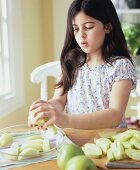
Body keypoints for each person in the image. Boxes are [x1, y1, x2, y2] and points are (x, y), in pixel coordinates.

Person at [28, 0, 137, 130]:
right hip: (74, 139)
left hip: (109, 142)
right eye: (76, 29)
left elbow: (115, 115)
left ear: (107, 27)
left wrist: (65, 120)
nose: (81, 35)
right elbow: (58, 101)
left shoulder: (120, 66)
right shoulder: (71, 63)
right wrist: (47, 110)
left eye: (88, 27)